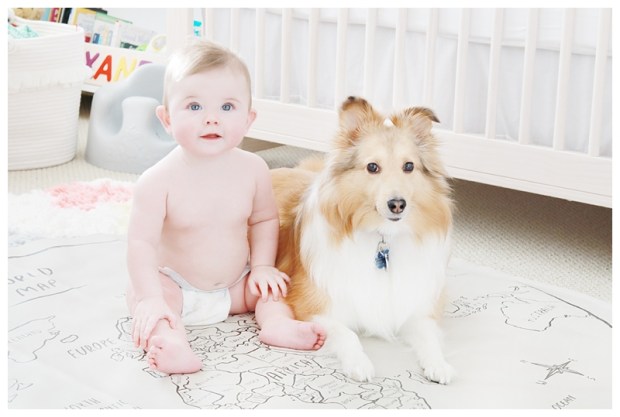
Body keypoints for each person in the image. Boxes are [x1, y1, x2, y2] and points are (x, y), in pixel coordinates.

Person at [126, 39, 325, 374]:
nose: (211, 119)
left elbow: (264, 220)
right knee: (146, 299)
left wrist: (261, 267)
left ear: (248, 119)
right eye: (194, 106)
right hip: (176, 285)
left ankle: (277, 324)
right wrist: (150, 298)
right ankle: (172, 342)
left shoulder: (254, 169)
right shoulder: (156, 181)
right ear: (167, 118)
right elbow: (140, 243)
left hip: (236, 285)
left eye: (227, 107)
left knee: (275, 288)